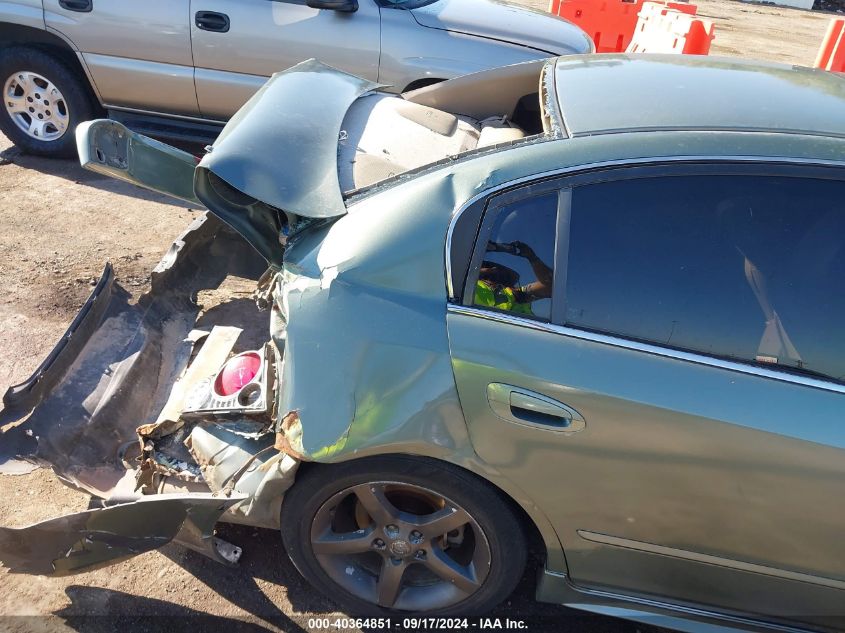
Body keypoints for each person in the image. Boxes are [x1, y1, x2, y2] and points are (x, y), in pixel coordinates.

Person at [474, 240, 552, 316]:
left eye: (505, 277)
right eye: (491, 274)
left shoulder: (519, 294)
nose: (498, 276)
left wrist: (532, 257)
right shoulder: (472, 286)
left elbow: (551, 287)